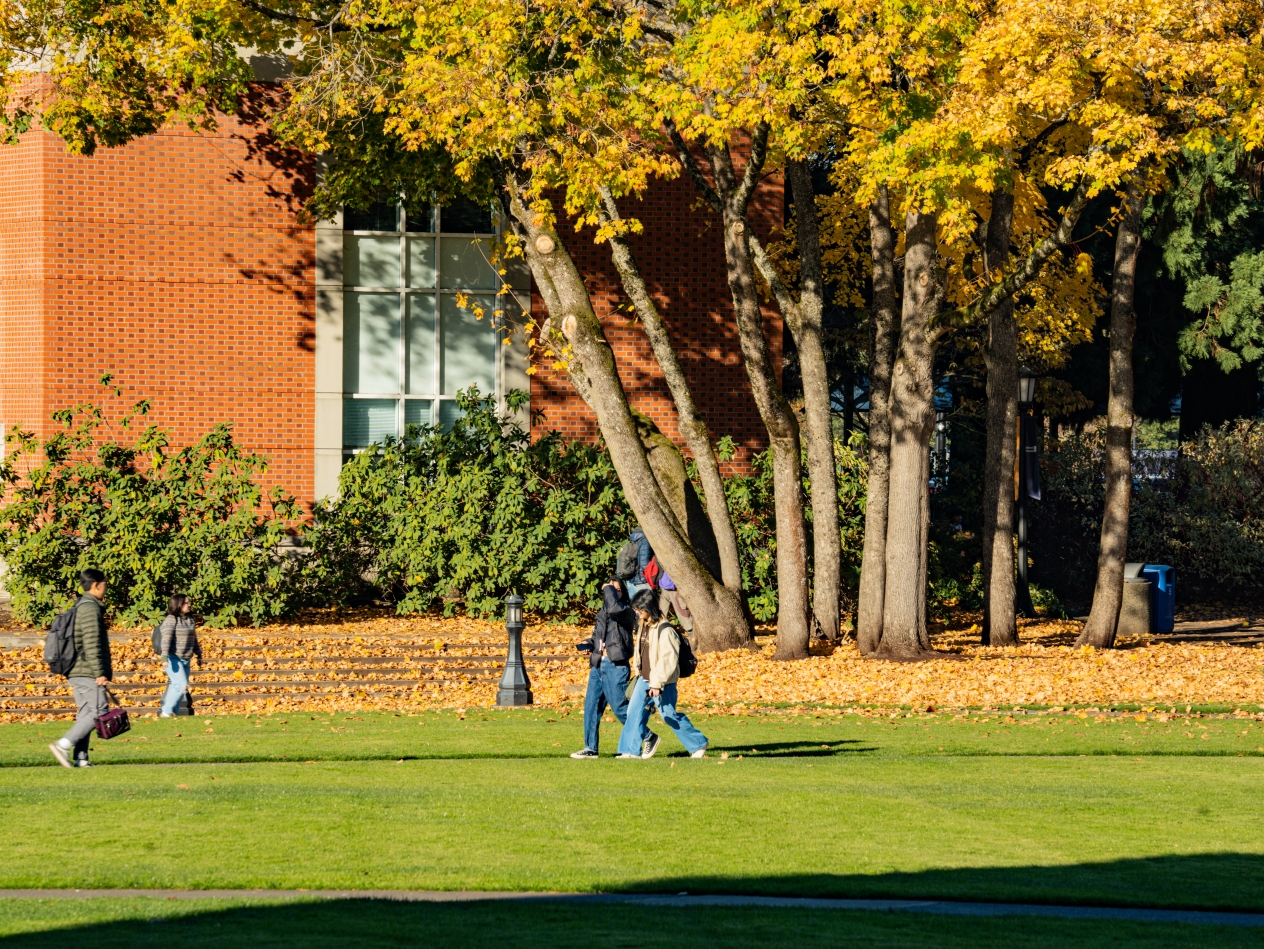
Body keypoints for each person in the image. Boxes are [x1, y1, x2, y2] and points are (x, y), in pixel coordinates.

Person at [617, 589, 708, 759]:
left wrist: (656, 684)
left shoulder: (666, 630)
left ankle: (698, 744)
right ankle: (629, 751)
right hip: (643, 679)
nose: (637, 612)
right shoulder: (644, 625)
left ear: (648, 607)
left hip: (663, 682)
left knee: (668, 715)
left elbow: (668, 660)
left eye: (639, 609)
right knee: (633, 713)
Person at [570, 580, 657, 758]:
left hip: (615, 666)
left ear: (622, 593)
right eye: (611, 589)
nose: (612, 592)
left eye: (617, 589)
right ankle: (590, 748)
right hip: (598, 665)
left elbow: (614, 608)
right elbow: (598, 637)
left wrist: (607, 588)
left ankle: (648, 735)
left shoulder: (626, 611)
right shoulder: (603, 612)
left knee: (620, 708)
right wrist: (588, 643)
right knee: (591, 708)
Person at [48, 569, 112, 769]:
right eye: (105, 583)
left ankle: (81, 759)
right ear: (96, 585)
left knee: (87, 713)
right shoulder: (89, 609)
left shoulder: (83, 605)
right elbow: (92, 643)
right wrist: (99, 672)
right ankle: (62, 745)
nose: (106, 587)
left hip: (79, 668)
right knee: (100, 710)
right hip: (84, 669)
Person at [158, 593, 202, 718]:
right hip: (173, 657)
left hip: (186, 658)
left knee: (176, 687)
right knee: (182, 686)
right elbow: (166, 639)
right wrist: (164, 656)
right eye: (186, 603)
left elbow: (194, 639)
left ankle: (173, 714)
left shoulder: (190, 619)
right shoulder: (171, 619)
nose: (189, 605)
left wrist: (198, 654)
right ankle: (166, 711)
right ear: (178, 605)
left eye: (189, 602)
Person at [657, 568, 694, 635]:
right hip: (667, 585)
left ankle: (691, 633)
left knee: (682, 612)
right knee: (662, 612)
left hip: (669, 585)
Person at [623, 528, 654, 602]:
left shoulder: (632, 541)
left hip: (630, 580)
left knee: (635, 609)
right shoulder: (645, 541)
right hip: (642, 581)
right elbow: (644, 562)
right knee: (646, 609)